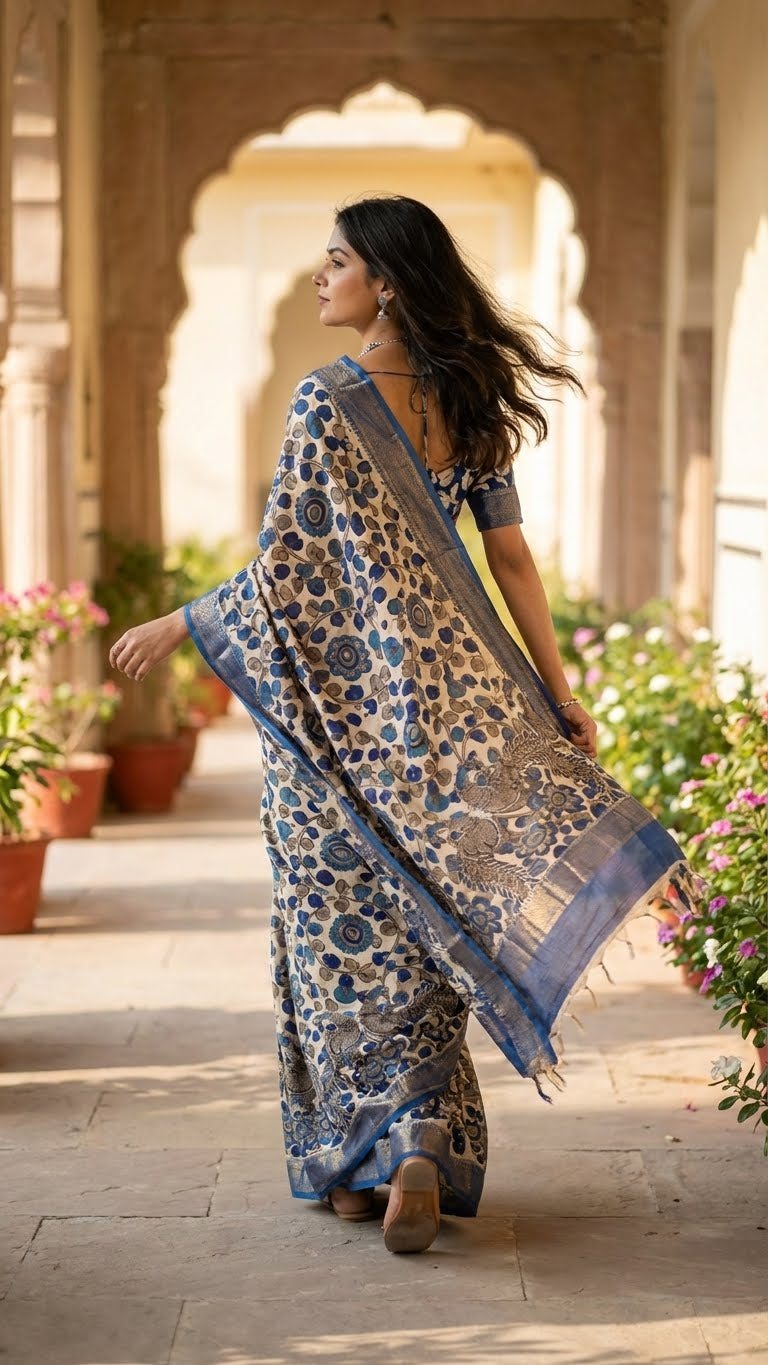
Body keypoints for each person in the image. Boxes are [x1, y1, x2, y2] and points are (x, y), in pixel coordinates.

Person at [109, 195, 695, 1255]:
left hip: (341, 725)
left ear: (384, 282)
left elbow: (288, 571)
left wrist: (181, 620)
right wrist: (558, 695)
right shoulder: (468, 402)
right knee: (426, 917)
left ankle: (360, 1149)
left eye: (337, 260)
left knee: (333, 927)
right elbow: (510, 560)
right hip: (453, 716)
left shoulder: (325, 401)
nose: (321, 275)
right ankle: (412, 1140)